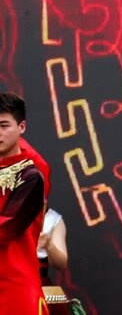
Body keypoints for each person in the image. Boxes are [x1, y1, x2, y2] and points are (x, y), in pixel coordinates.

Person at [0, 92, 51, 315]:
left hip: (15, 288)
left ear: (22, 127)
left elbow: (6, 229)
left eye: (4, 126)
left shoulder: (31, 176)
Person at [38, 208, 68, 285]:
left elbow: (62, 264)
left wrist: (49, 245)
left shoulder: (54, 220)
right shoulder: (11, 214)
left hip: (40, 285)